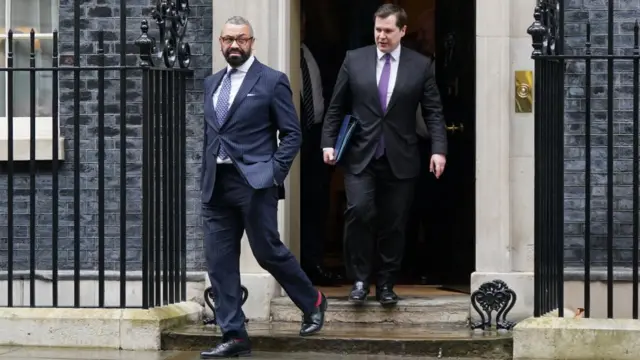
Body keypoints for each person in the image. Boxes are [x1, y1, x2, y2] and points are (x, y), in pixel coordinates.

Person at [200, 16, 327, 358]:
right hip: (217, 185)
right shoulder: (212, 84)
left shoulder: (272, 81)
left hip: (255, 183)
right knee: (219, 261)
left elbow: (293, 134)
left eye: (241, 39)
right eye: (228, 40)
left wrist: (273, 172)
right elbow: (213, 135)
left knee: (266, 250)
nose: (234, 45)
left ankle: (312, 301)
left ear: (252, 42)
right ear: (220, 43)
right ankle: (234, 334)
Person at [321, 4, 447, 306]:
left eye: (388, 31)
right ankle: (361, 280)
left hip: (400, 155)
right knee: (360, 212)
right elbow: (336, 105)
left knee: (394, 223)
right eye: (378, 30)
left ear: (402, 31)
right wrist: (328, 142)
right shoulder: (355, 59)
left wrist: (439, 150)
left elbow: (433, 112)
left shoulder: (420, 65)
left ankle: (387, 283)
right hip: (361, 155)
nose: (381, 36)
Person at [299, 9, 342, 285]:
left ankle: (313, 264)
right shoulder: (284, 55)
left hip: (316, 137)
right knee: (295, 203)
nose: (300, 25)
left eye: (304, 20)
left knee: (316, 203)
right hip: (291, 136)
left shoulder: (314, 53)